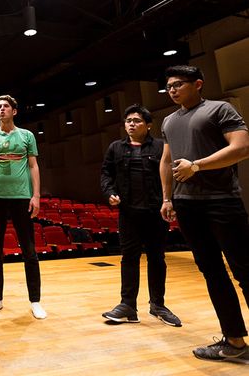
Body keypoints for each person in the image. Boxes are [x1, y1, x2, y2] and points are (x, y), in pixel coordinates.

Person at [160, 65, 249, 363]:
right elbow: (167, 160)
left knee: (245, 271)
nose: (172, 90)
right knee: (212, 272)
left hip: (222, 200)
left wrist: (196, 165)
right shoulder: (169, 120)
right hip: (186, 204)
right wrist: (167, 197)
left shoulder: (218, 109)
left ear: (198, 84)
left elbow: (242, 147)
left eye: (178, 84)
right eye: (169, 86)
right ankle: (234, 341)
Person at [100, 105, 181, 326]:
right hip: (128, 214)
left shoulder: (161, 147)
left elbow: (171, 174)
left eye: (136, 120)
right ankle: (128, 306)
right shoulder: (115, 148)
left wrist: (170, 200)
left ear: (148, 124)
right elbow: (106, 173)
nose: (131, 124)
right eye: (128, 121)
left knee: (157, 259)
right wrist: (110, 193)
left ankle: (158, 305)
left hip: (155, 212)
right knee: (129, 258)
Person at [0, 95, 46, 319]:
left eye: (5, 106)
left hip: (21, 198)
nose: (1, 109)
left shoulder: (26, 136)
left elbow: (34, 166)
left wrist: (36, 195)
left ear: (14, 111)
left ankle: (35, 301)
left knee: (29, 251)